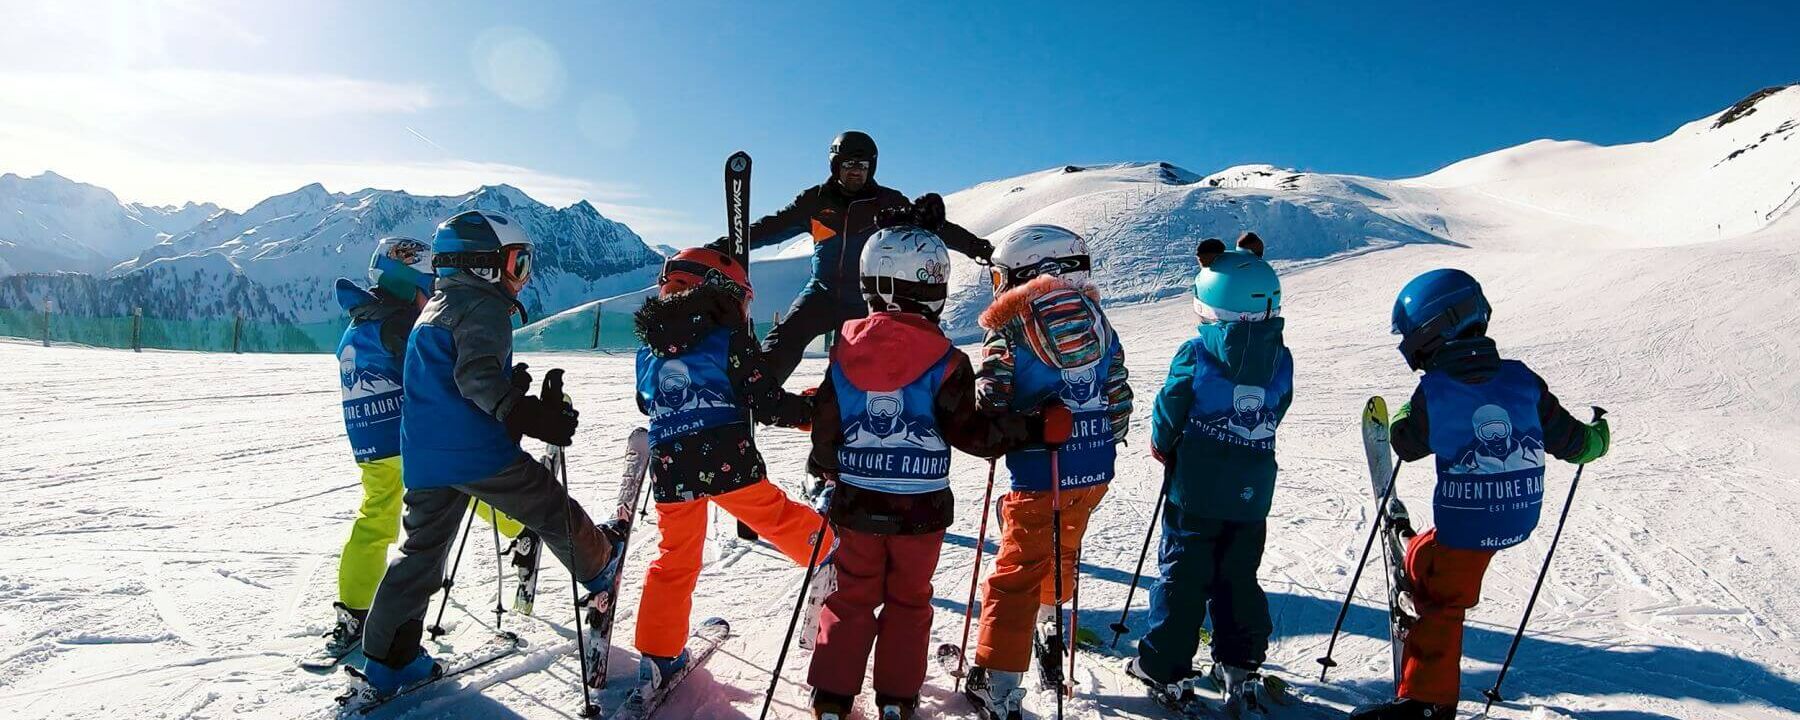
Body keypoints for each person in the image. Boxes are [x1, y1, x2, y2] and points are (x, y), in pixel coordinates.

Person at [352, 210, 623, 697]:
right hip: (475, 453)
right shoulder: (484, 306)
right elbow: (475, 377)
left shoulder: (435, 307)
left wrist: (511, 392)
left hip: (426, 460)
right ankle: (600, 562)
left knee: (421, 553)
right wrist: (525, 412)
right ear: (482, 265)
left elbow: (445, 380)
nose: (522, 277)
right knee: (547, 505)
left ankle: (389, 658)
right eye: (517, 263)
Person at [802, 225, 1065, 720]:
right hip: (920, 509)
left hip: (858, 503)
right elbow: (974, 434)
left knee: (853, 593)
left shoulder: (844, 350)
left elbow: (827, 423)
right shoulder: (947, 362)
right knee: (909, 600)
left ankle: (834, 696)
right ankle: (898, 698)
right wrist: (1031, 429)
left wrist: (827, 464)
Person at [1350, 269, 1610, 720]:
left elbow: (1406, 444)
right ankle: (1415, 553)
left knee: (1441, 597)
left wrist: (1410, 408)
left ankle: (1427, 704)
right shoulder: (1522, 380)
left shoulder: (1435, 388)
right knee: (1433, 560)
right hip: (1516, 517)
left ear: (1432, 332)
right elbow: (1574, 442)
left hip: (1468, 525)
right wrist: (1597, 437)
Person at [629, 247, 833, 690]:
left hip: (670, 466)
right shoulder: (728, 337)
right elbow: (764, 399)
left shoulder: (649, 346)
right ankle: (828, 550)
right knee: (773, 515)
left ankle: (659, 656)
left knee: (675, 557)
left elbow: (646, 401)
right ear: (719, 292)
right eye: (742, 300)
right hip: (726, 458)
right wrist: (810, 412)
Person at [320, 237, 531, 664]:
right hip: (412, 436)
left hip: (373, 442)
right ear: (412, 286)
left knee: (377, 516)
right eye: (428, 289)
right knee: (468, 485)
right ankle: (523, 529)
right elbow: (438, 377)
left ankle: (356, 610)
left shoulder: (358, 324)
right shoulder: (401, 325)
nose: (432, 298)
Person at [962, 225, 1134, 717]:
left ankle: (999, 680)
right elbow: (1118, 390)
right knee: (1063, 546)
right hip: (1094, 464)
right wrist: (1105, 433)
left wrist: (997, 427)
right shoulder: (1099, 321)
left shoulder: (1010, 327)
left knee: (1016, 568)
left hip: (1039, 469)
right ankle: (1050, 624)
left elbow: (992, 396)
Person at [1127, 234, 1292, 715]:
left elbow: (1171, 405)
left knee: (1184, 573)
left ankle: (1165, 666)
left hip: (1195, 489)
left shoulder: (1196, 352)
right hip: (1252, 490)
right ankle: (1240, 663)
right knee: (1239, 573)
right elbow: (1277, 406)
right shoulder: (1281, 356)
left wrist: (1162, 443)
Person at [708, 130, 996, 385]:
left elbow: (936, 228)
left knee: (868, 360)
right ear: (836, 166)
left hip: (865, 300)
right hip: (821, 293)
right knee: (784, 339)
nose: (856, 172)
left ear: (871, 168)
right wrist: (726, 244)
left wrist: (976, 247)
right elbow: (772, 227)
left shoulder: (887, 202)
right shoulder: (815, 200)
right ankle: (757, 393)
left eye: (862, 166)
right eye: (848, 165)